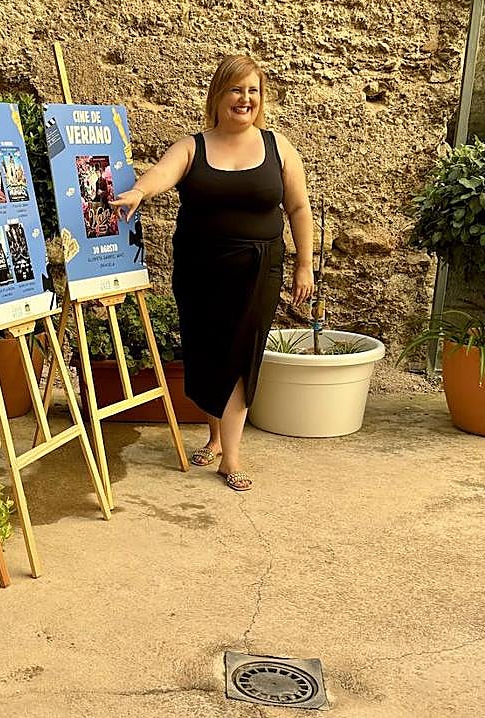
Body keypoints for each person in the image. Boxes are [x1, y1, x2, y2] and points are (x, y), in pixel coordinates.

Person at [110, 55, 314, 491]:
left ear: (261, 98)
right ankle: (215, 438)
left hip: (259, 267)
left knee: (239, 353)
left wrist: (304, 264)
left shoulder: (280, 148)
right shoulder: (192, 146)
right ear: (218, 95)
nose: (245, 99)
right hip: (200, 267)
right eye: (236, 90)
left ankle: (232, 457)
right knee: (206, 350)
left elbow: (298, 208)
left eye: (253, 91)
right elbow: (163, 173)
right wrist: (139, 192)